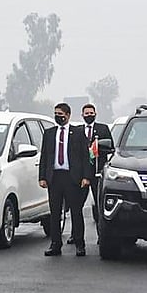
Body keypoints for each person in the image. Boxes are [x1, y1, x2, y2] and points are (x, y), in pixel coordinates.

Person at [39, 103, 93, 257]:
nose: (58, 116)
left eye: (60, 114)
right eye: (56, 113)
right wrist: (42, 177)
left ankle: (79, 244)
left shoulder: (77, 133)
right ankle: (55, 244)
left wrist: (86, 177)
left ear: (68, 115)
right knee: (55, 213)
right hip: (54, 177)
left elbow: (85, 156)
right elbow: (44, 156)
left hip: (72, 178)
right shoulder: (49, 133)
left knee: (76, 212)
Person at [79, 103, 113, 223]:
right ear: (82, 115)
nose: (89, 115)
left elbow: (110, 148)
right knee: (77, 205)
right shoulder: (77, 131)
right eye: (86, 113)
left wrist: (97, 147)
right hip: (81, 173)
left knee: (99, 204)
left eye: (91, 113)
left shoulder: (103, 129)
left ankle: (101, 234)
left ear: (95, 114)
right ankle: (75, 234)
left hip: (97, 172)